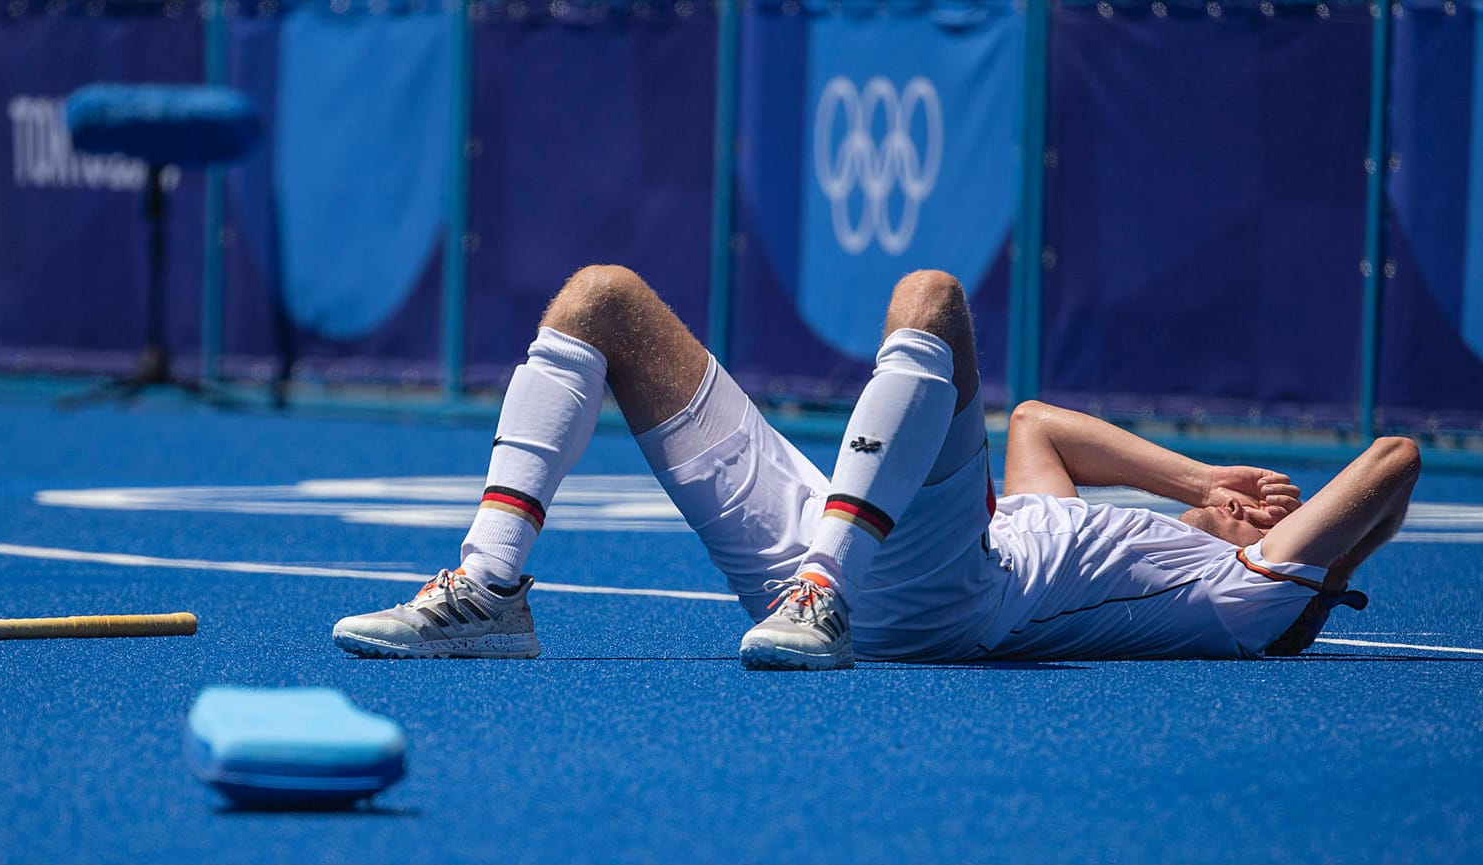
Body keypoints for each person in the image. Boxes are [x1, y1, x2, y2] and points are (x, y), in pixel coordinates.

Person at [332, 265, 1421, 668]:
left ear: (1297, 574)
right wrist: (1195, 484)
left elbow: (1392, 460)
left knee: (933, 302)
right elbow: (1037, 423)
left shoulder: (1241, 603)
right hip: (847, 547)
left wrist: (1287, 540)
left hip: (929, 598)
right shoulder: (1111, 528)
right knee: (600, 301)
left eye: (1278, 529)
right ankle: (491, 586)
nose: (1258, 519)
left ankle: (821, 591)